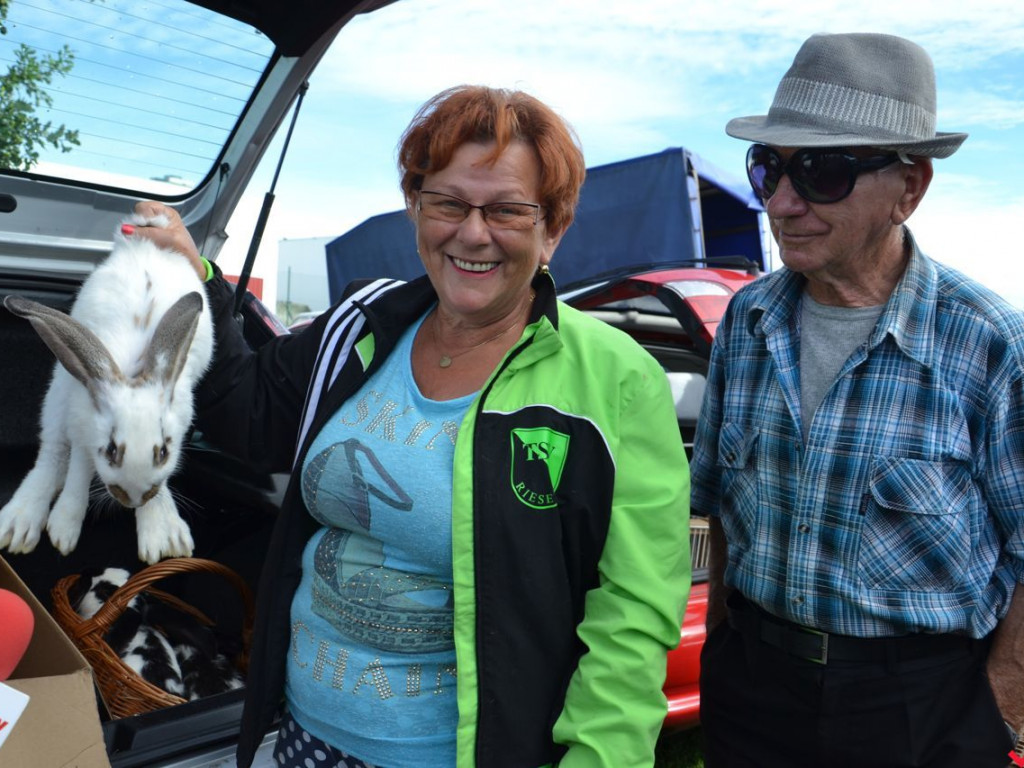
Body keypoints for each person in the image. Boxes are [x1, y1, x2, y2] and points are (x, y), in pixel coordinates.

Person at [134, 85, 690, 768]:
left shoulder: (616, 380)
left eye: (508, 210)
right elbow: (249, 414)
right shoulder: (361, 325)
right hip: (307, 735)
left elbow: (633, 616)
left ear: (555, 228)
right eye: (449, 203)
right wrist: (202, 281)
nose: (473, 232)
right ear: (415, 207)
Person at [690, 32, 1024, 768]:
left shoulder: (990, 344)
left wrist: (1003, 707)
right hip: (754, 690)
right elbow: (718, 507)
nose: (781, 201)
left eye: (822, 172)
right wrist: (720, 651)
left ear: (909, 189)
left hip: (919, 708)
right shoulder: (747, 323)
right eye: (768, 168)